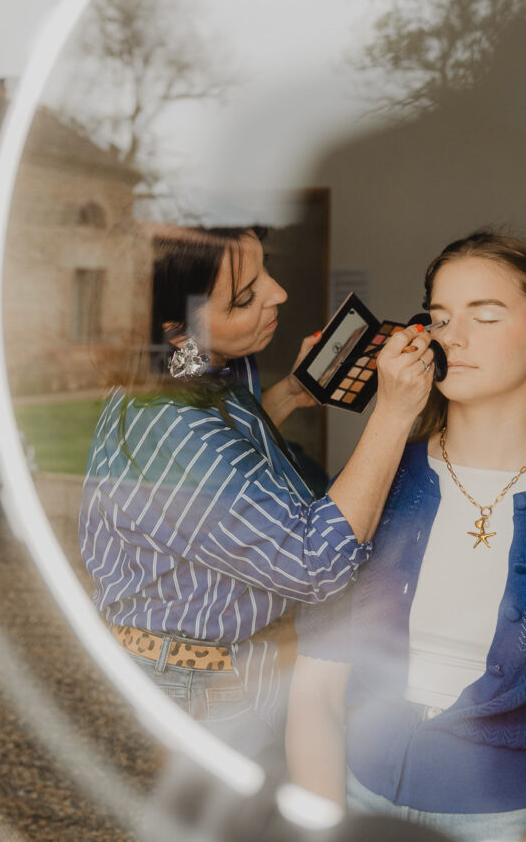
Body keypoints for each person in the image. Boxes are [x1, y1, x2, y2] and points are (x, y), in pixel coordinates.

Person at [287, 229, 526, 841]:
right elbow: (315, 693)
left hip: (515, 824)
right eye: (439, 317)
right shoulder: (379, 487)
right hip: (356, 805)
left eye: (484, 317)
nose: (451, 337)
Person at [78, 224, 436, 757]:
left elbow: (221, 470)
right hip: (196, 689)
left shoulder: (202, 366)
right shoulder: (173, 425)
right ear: (179, 330)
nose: (278, 293)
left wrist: (291, 392)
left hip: (239, 662)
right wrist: (393, 413)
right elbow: (316, 562)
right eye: (245, 297)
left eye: (264, 268)